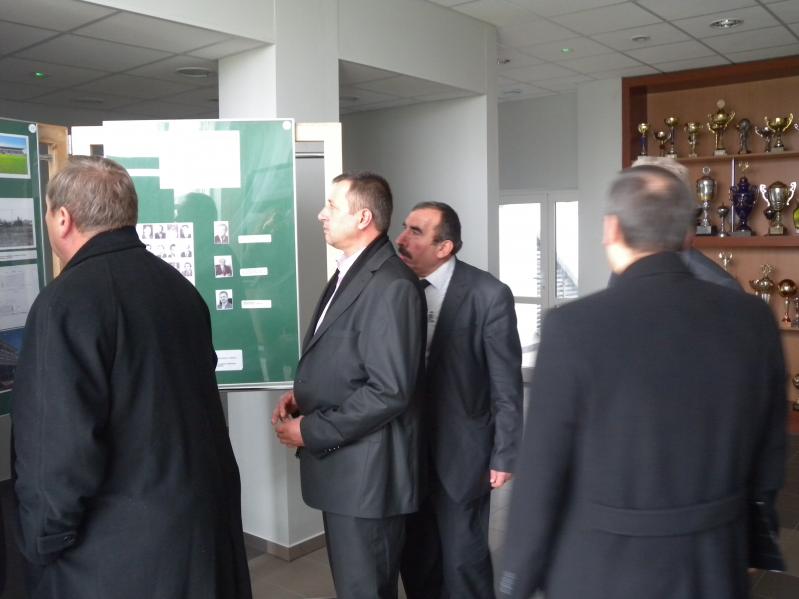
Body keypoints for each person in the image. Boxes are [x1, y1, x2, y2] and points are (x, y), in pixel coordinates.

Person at [498, 165, 787, 599]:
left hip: (603, 573)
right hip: (715, 564)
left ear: (612, 229)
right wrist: (751, 542)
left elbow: (542, 474)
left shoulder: (574, 327)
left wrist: (514, 580)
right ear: (688, 235)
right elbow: (769, 454)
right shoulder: (753, 319)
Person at [12, 156, 252, 599]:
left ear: (63, 218)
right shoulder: (179, 288)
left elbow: (56, 453)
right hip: (198, 529)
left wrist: (41, 542)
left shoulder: (64, 304)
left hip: (118, 555)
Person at [271, 172, 425, 599]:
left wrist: (310, 430)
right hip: (350, 476)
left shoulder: (391, 284)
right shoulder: (353, 271)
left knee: (364, 589)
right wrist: (305, 395)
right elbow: (351, 359)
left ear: (363, 217)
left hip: (368, 480)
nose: (321, 214)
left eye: (332, 206)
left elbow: (389, 390)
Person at [395, 202, 522, 599]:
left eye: (415, 231)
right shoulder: (394, 288)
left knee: (464, 561)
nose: (401, 238)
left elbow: (506, 382)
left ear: (444, 247)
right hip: (405, 451)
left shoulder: (488, 294)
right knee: (417, 560)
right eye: (404, 227)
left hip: (463, 452)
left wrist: (505, 453)